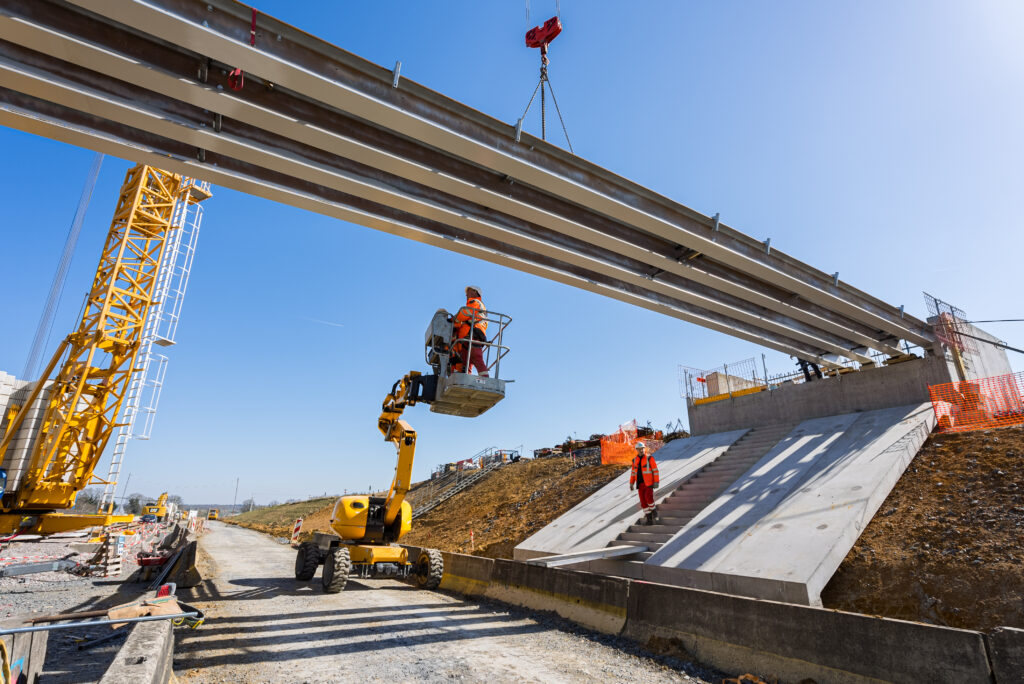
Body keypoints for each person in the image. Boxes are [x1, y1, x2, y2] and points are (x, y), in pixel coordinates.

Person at [452, 285, 489, 376]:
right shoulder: (476, 304)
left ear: (475, 292)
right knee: (466, 362)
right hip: (468, 337)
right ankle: (464, 378)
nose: (466, 295)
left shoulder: (475, 302)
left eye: (468, 291)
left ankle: (485, 378)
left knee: (476, 356)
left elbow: (465, 313)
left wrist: (454, 320)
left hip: (474, 334)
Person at [629, 441, 660, 525]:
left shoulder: (649, 458)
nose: (641, 450)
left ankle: (654, 511)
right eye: (639, 449)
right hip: (640, 485)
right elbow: (633, 473)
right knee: (643, 503)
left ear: (644, 449)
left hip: (648, 484)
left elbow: (655, 471)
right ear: (637, 450)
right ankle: (649, 519)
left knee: (648, 499)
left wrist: (656, 482)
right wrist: (631, 483)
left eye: (642, 449)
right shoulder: (634, 460)